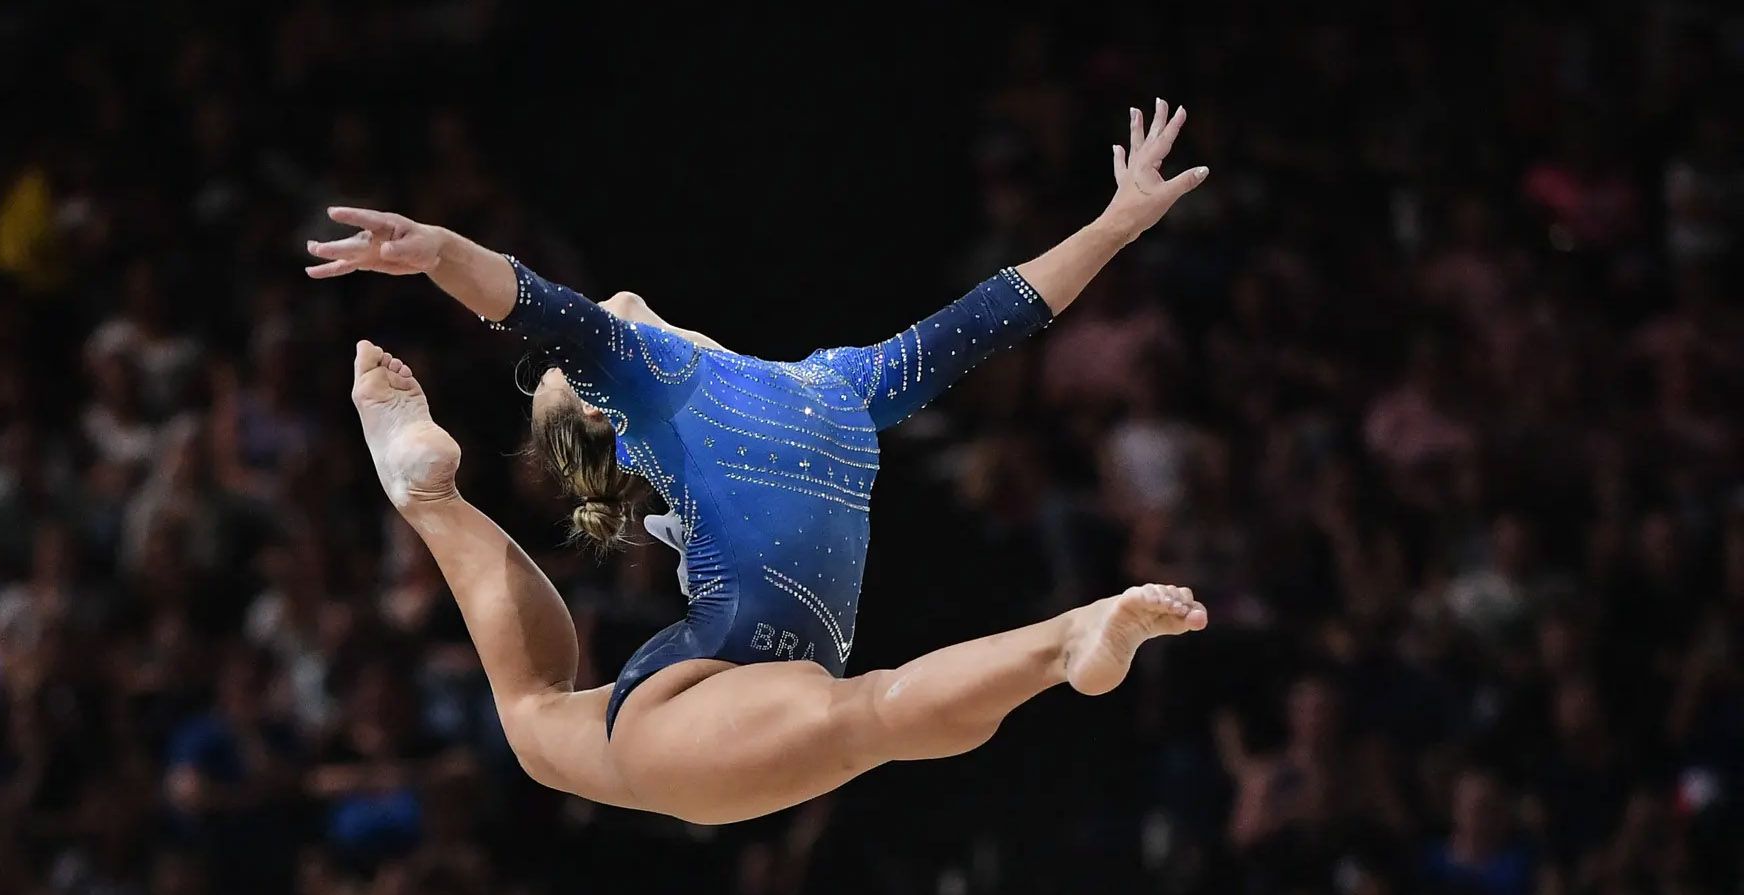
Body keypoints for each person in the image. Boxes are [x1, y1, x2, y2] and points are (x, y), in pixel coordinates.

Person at [312, 101, 1212, 823]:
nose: (597, 325)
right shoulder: (665, 374)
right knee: (865, 713)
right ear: (599, 406)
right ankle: (1066, 640)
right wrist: (440, 252)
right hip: (720, 702)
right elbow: (530, 302)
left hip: (714, 704)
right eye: (568, 378)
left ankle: (428, 495)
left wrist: (1116, 223)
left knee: (537, 716)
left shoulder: (836, 381)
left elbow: (994, 315)